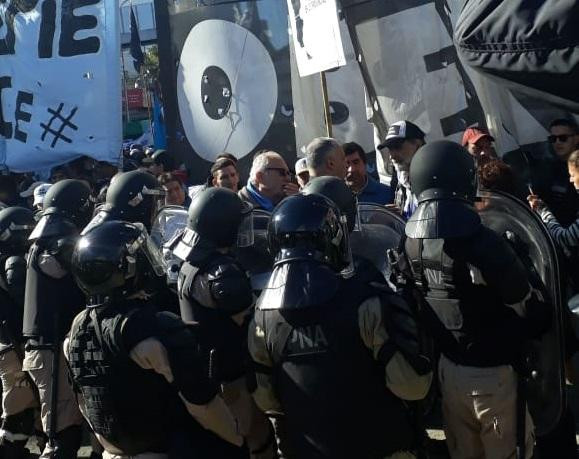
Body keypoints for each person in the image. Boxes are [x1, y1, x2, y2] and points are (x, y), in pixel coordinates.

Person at [249, 193, 432, 459]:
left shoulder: (263, 315)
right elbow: (412, 386)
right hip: (382, 448)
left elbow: (266, 400)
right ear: (331, 238)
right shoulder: (366, 302)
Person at [402, 140, 550, 459]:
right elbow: (529, 307)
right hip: (493, 375)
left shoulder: (411, 243)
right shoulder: (485, 244)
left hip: (448, 370)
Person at [65, 220, 245, 459]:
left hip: (114, 452)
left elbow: (87, 404)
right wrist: (238, 439)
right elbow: (202, 405)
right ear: (126, 268)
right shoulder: (151, 328)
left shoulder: (77, 330)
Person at [174, 188, 276, 459]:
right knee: (257, 441)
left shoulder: (191, 261)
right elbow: (252, 324)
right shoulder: (222, 273)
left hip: (208, 374)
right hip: (233, 379)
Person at [22, 179, 94, 459]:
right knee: (62, 439)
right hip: (50, 349)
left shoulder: (44, 242)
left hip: (48, 349)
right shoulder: (56, 245)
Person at [0, 207, 38, 458]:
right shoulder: (14, 262)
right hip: (14, 346)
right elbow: (24, 306)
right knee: (18, 408)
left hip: (8, 344)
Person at [531, 118, 579, 227]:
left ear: (576, 139)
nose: (557, 142)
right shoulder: (547, 168)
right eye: (553, 138)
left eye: (563, 138)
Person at [83, 170, 165, 233]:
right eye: (153, 201)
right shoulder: (119, 236)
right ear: (138, 201)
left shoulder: (104, 226)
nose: (156, 208)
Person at [377, 120, 426, 219]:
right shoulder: (398, 178)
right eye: (390, 149)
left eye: (397, 147)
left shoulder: (434, 174)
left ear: (417, 144)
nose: (392, 156)